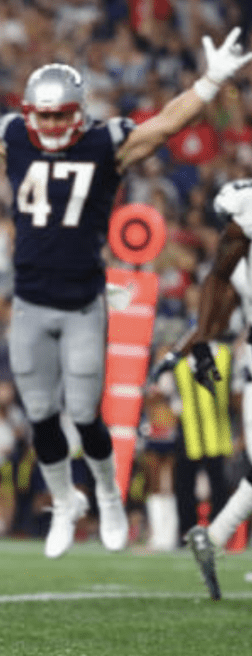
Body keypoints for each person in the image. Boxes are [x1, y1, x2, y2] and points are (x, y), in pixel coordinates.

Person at [0, 8, 252, 558]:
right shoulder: (15, 137)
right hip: (30, 302)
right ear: (31, 113)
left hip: (82, 303)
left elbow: (165, 124)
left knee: (84, 413)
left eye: (60, 116)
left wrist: (212, 80)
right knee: (40, 415)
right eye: (43, 116)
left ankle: (107, 496)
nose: (50, 126)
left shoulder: (105, 143)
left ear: (78, 113)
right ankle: (64, 501)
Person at [156, 179, 252, 600]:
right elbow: (215, 306)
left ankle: (212, 538)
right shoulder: (237, 258)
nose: (224, 230)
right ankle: (213, 537)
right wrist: (188, 347)